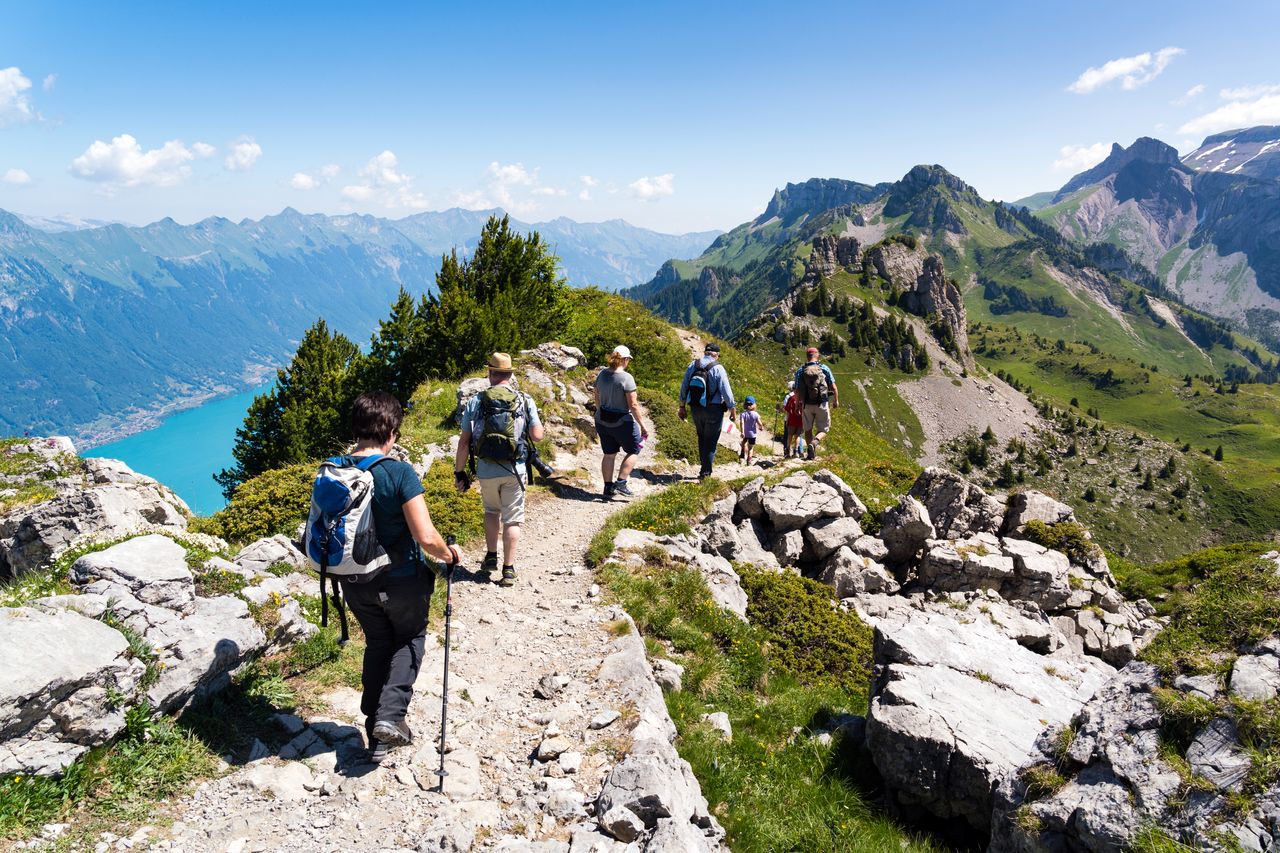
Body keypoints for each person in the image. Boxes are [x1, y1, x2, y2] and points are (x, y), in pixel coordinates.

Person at [339, 391, 462, 764]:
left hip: (354, 580)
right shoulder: (398, 472)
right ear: (391, 431)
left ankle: (374, 726)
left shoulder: (334, 469)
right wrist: (449, 554)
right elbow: (425, 537)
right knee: (409, 638)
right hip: (401, 579)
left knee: (378, 641)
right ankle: (391, 718)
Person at [455, 353, 544, 588]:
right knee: (512, 519)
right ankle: (509, 569)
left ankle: (491, 556)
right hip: (515, 468)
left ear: (490, 373)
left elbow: (464, 442)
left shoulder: (476, 401)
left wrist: (459, 472)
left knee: (491, 511)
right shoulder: (524, 399)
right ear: (510, 374)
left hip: (486, 469)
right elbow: (538, 436)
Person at [594, 344, 648, 499]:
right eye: (628, 359)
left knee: (609, 454)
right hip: (621, 421)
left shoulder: (602, 374)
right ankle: (621, 482)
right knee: (634, 449)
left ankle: (608, 487)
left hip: (602, 419)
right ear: (624, 360)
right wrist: (643, 426)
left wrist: (600, 410)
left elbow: (596, 394)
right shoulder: (627, 378)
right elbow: (633, 405)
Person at [678, 342, 736, 480]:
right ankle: (705, 473)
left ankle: (703, 468)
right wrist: (732, 409)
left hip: (695, 408)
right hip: (713, 410)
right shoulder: (718, 368)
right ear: (716, 355)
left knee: (701, 437)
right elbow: (726, 392)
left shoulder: (693, 365)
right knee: (711, 440)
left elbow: (684, 386)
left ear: (705, 352)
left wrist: (682, 406)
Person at [793, 346, 839, 460]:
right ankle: (814, 443)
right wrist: (836, 400)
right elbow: (833, 387)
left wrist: (797, 404)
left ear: (807, 357)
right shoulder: (824, 368)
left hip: (806, 404)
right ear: (817, 355)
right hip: (822, 403)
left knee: (808, 429)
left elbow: (797, 390)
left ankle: (810, 454)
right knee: (823, 429)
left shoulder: (800, 370)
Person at [778, 381, 804, 459]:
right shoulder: (803, 399)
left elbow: (788, 410)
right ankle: (796, 451)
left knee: (789, 435)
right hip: (800, 420)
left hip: (791, 420)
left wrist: (787, 420)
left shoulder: (790, 398)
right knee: (798, 436)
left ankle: (788, 449)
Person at [738, 396, 761, 465]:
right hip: (752, 435)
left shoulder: (743, 414)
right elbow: (759, 422)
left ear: (744, 404)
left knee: (743, 443)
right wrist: (761, 427)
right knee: (751, 447)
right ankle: (749, 460)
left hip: (745, 433)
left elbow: (742, 423)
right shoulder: (756, 414)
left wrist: (742, 432)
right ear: (754, 405)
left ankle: (742, 456)